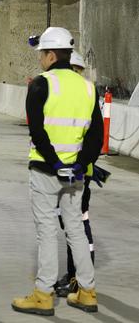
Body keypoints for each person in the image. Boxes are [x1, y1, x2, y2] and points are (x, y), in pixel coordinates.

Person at [12, 27, 103, 316]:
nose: (40, 59)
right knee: (75, 228)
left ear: (51, 54)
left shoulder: (40, 84)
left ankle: (43, 294)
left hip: (45, 170)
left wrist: (56, 164)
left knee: (47, 231)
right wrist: (77, 165)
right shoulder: (88, 87)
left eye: (42, 53)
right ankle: (86, 292)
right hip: (76, 174)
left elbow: (37, 132)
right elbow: (96, 136)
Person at [53, 50, 103, 297]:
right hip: (75, 171)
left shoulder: (80, 95)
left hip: (76, 174)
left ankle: (78, 278)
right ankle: (76, 275)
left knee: (78, 226)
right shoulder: (84, 94)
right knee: (74, 224)